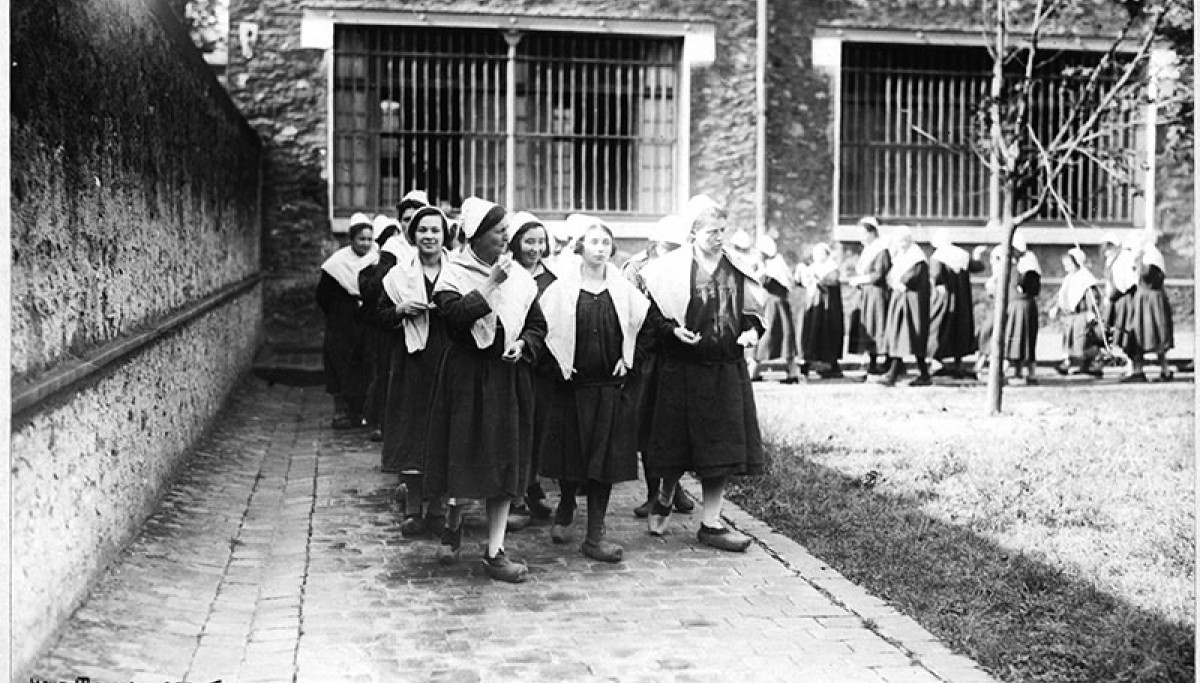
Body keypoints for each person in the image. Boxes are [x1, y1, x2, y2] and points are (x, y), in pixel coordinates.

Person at [423, 196, 546, 583]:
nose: (506, 240)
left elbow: (537, 324)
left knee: (503, 461)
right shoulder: (452, 275)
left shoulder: (521, 278)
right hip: (466, 379)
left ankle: (495, 551)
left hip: (506, 379)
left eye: (507, 233)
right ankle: (453, 524)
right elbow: (455, 320)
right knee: (465, 455)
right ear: (475, 236)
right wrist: (492, 284)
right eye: (499, 233)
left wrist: (523, 344)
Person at [640, 195, 765, 553]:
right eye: (712, 231)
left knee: (720, 448)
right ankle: (665, 495)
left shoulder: (735, 265)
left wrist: (751, 331)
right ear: (693, 232)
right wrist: (672, 331)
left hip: (725, 369)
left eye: (723, 230)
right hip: (682, 369)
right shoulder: (670, 268)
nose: (719, 237)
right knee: (676, 444)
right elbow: (653, 316)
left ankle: (711, 523)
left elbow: (753, 312)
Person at [537, 219, 650, 561]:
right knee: (573, 457)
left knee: (603, 461)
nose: (599, 248)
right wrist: (558, 364)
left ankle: (594, 536)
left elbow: (645, 330)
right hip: (572, 388)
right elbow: (542, 333)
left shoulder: (623, 290)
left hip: (608, 388)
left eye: (605, 242)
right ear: (580, 247)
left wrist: (628, 360)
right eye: (593, 242)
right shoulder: (560, 290)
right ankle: (567, 503)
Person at [376, 206, 451, 533]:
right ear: (413, 235)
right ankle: (412, 507)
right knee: (412, 431)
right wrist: (400, 309)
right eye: (423, 231)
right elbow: (377, 316)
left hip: (449, 359)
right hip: (412, 361)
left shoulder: (457, 271)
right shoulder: (397, 276)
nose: (430, 236)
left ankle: (436, 507)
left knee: (444, 431)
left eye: (436, 230)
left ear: (445, 235)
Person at [624, 216, 694, 520]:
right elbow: (632, 312)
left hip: (679, 354)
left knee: (675, 424)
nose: (674, 253)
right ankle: (655, 492)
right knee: (649, 425)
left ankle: (672, 486)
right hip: (648, 355)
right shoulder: (637, 269)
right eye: (668, 247)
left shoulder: (689, 267)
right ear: (654, 245)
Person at [505, 211, 557, 527]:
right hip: (515, 361)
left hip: (545, 365)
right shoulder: (506, 274)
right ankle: (516, 496)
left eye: (540, 242)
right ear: (515, 242)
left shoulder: (552, 279)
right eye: (529, 241)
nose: (535, 248)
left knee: (538, 428)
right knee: (516, 428)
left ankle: (530, 483)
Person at [316, 213, 378, 428]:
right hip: (343, 322)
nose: (366, 244)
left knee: (365, 363)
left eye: (369, 239)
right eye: (361, 239)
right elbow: (322, 295)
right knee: (340, 362)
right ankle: (341, 411)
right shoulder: (337, 264)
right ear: (351, 239)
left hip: (367, 321)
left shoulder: (376, 259)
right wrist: (339, 312)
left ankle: (360, 410)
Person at [360, 214, 406, 443]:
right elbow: (372, 293)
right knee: (385, 374)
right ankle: (380, 421)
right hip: (385, 326)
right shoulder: (382, 261)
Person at [926, 234, 987, 380]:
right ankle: (958, 361)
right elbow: (978, 267)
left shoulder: (938, 256)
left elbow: (935, 275)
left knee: (938, 326)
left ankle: (936, 360)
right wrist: (977, 255)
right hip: (962, 298)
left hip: (944, 298)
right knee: (960, 327)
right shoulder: (962, 254)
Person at [878, 227, 931, 386]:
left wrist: (898, 281)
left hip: (912, 302)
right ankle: (896, 372)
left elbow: (910, 278)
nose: (899, 245)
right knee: (898, 334)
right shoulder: (903, 256)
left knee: (911, 334)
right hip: (901, 299)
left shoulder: (916, 258)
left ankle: (919, 374)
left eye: (901, 242)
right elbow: (891, 276)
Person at [749, 234, 801, 383]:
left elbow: (764, 280)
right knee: (773, 335)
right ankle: (755, 371)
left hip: (774, 304)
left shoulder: (774, 265)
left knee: (771, 335)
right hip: (771, 303)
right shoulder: (770, 264)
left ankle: (791, 372)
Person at [1125, 231, 1174, 382]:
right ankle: (1138, 369)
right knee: (1138, 332)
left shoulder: (1152, 256)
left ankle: (1165, 370)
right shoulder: (1145, 255)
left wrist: (1138, 259)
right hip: (1143, 299)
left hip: (1151, 300)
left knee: (1155, 333)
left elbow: (1145, 275)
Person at [846, 217, 891, 378]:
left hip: (877, 294)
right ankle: (871, 363)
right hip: (867, 294)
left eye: (864, 233)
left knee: (876, 325)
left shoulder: (881, 250)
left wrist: (860, 280)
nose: (861, 237)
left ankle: (885, 363)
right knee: (867, 325)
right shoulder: (869, 249)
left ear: (872, 233)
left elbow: (879, 274)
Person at [1050, 247, 1103, 377]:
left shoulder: (1085, 277)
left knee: (1083, 340)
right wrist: (1057, 307)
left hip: (1082, 314)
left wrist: (1092, 311)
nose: (1067, 267)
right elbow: (1062, 295)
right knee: (1069, 340)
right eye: (1065, 265)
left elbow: (1092, 295)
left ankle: (1092, 364)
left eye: (1069, 264)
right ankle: (1068, 362)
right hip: (1071, 315)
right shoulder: (1069, 278)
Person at [796, 243, 845, 379]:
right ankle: (809, 362)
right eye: (816, 253)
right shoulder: (812, 267)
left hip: (826, 308)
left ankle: (829, 365)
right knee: (810, 333)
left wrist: (817, 278)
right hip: (814, 306)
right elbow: (803, 282)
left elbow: (831, 282)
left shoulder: (831, 267)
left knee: (826, 334)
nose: (818, 256)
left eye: (821, 253)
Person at [1004, 232, 1041, 384]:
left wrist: (1021, 286)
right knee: (1014, 338)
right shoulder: (1015, 262)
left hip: (1022, 306)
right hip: (1016, 305)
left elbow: (1030, 287)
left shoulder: (1028, 263)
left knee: (1023, 339)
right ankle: (1017, 371)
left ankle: (1030, 373)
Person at [1103, 234, 1139, 377]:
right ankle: (1130, 366)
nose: (1107, 249)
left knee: (1128, 332)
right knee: (1121, 332)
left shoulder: (1125, 258)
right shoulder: (1112, 260)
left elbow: (1127, 281)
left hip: (1125, 299)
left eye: (1110, 246)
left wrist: (1115, 293)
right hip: (1117, 300)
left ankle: (1134, 368)